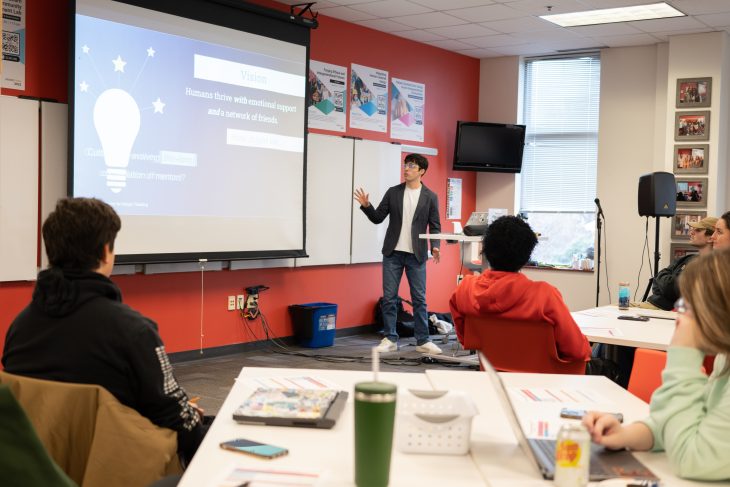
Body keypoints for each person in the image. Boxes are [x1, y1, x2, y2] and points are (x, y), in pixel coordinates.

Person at [2, 197, 206, 465]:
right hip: (116, 466)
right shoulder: (133, 331)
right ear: (105, 252)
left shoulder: (20, 327)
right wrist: (193, 417)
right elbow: (175, 420)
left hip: (39, 466)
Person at [583, 248, 730, 481]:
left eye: (690, 306)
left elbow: (692, 459)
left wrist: (684, 353)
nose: (682, 313)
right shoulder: (725, 360)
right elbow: (680, 421)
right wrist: (625, 435)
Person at [449, 215, 591, 363]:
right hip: (545, 380)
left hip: (494, 377)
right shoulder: (546, 296)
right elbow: (579, 352)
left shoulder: (464, 290)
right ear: (526, 256)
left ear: (485, 250)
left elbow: (467, 340)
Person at [354, 153, 442, 354]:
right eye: (405, 165)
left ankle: (423, 341)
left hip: (416, 254)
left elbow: (435, 226)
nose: (406, 169)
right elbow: (377, 218)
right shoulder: (393, 192)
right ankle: (390, 338)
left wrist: (435, 246)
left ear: (421, 171)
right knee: (390, 297)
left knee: (419, 299)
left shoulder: (430, 197)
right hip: (393, 253)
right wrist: (367, 206)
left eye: (411, 166)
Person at [643, 216, 717, 311]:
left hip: (667, 310)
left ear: (711, 238)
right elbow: (657, 282)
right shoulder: (687, 258)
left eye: (698, 230)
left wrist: (667, 285)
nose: (691, 232)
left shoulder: (710, 265)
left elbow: (673, 290)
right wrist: (666, 285)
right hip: (654, 305)